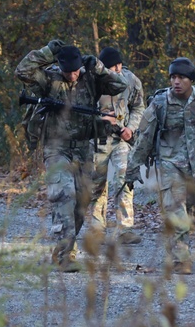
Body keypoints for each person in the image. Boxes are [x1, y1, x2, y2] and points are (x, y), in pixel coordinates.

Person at [15, 40, 126, 272]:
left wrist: (98, 67)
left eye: (76, 70)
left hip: (84, 147)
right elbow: (22, 71)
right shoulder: (50, 79)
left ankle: (62, 251)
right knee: (64, 196)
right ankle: (66, 256)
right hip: (57, 148)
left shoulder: (90, 77)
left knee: (81, 203)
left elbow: (119, 85)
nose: (73, 75)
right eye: (68, 71)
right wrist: (46, 52)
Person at [124, 57, 195, 274]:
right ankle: (182, 258)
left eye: (181, 77)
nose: (176, 82)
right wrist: (132, 167)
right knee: (175, 209)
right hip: (169, 166)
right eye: (173, 77)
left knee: (192, 213)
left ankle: (176, 250)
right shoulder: (160, 103)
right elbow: (144, 138)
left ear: (190, 80)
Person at [89, 47, 145, 245]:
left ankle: (125, 228)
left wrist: (131, 127)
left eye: (118, 65)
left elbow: (139, 107)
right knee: (97, 183)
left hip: (122, 138)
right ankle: (96, 229)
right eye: (112, 67)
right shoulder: (93, 81)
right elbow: (82, 109)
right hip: (98, 138)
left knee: (124, 178)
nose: (116, 69)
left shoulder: (131, 80)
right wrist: (99, 120)